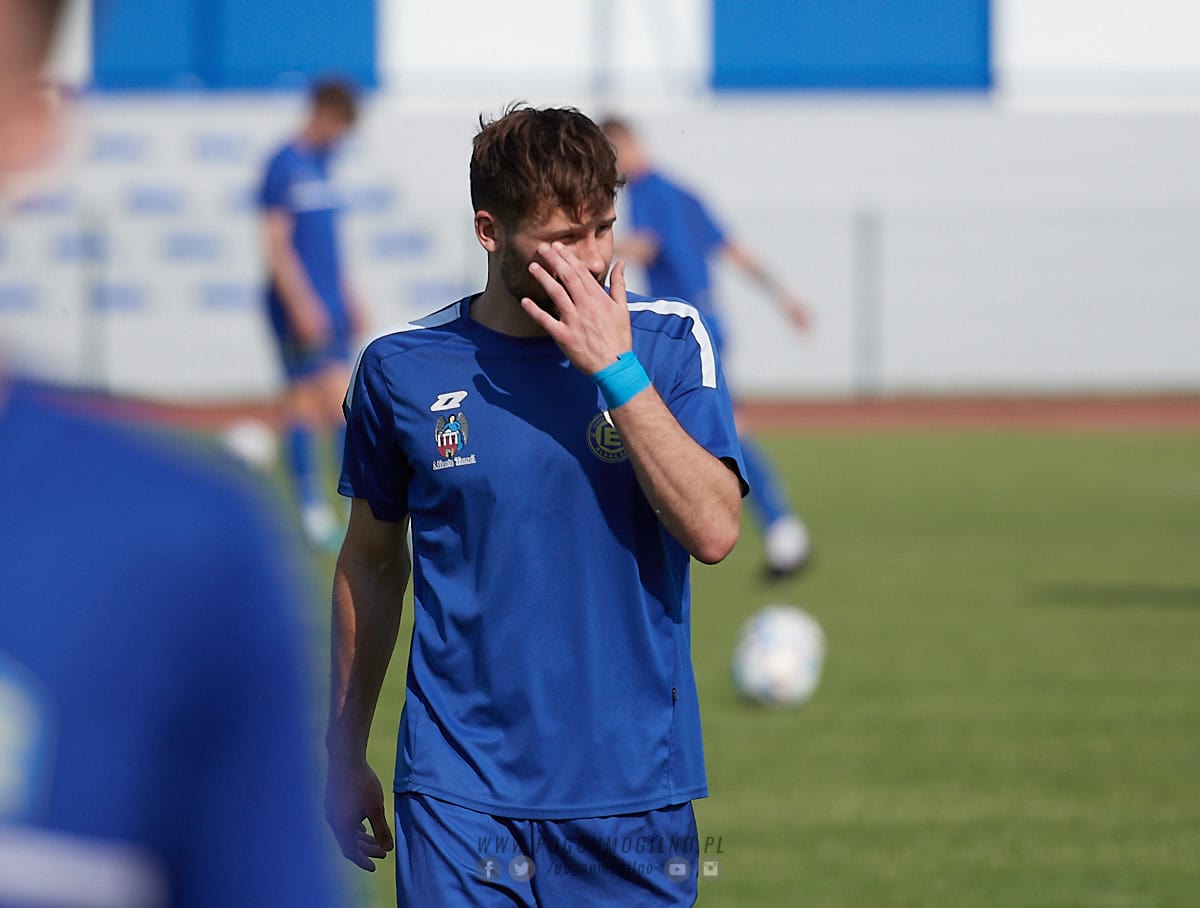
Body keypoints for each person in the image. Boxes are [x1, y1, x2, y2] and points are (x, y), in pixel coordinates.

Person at [325, 104, 747, 906]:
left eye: (603, 229)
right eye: (562, 239)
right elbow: (371, 564)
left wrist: (617, 372)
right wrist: (342, 751)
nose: (592, 260)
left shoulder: (666, 344)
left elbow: (715, 529)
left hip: (632, 793)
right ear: (490, 231)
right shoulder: (400, 369)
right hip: (457, 791)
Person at [0, 2, 343, 904]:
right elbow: (277, 243)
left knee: (320, 408)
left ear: (31, 127)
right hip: (298, 325)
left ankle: (322, 501)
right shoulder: (287, 165)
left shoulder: (187, 554)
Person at [601, 117, 813, 578]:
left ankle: (782, 528)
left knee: (681, 427)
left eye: (610, 154)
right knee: (693, 428)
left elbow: (645, 246)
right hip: (707, 324)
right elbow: (735, 251)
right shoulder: (685, 191)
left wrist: (576, 247)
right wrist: (785, 297)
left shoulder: (649, 193)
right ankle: (776, 529)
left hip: (682, 335)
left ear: (626, 145)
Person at [259, 78, 366, 547]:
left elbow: (330, 244)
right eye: (339, 125)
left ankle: (342, 504)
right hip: (298, 307)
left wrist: (348, 294)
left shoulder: (324, 165)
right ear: (322, 113)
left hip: (330, 304)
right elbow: (275, 244)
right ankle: (312, 506)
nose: (341, 136)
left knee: (339, 404)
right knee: (307, 401)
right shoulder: (283, 165)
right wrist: (300, 303)